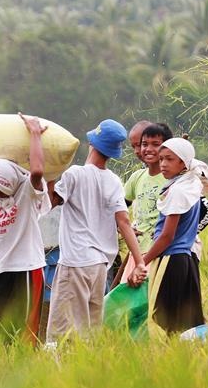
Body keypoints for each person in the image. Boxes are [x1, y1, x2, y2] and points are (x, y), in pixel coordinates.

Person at [45, 119, 147, 343]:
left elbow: (51, 202)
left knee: (61, 332)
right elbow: (124, 222)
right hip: (100, 266)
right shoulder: (113, 181)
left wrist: (50, 171)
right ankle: (88, 373)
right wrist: (139, 262)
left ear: (92, 143)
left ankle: (57, 375)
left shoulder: (75, 174)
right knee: (89, 330)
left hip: (75, 262)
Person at [0, 113, 51, 344]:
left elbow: (36, 172)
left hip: (25, 269)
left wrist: (35, 134)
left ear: (11, 183)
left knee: (22, 335)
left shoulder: (26, 192)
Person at [142, 138, 208, 334]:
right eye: (161, 159)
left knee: (165, 319)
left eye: (169, 159)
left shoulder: (178, 190)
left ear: (183, 163)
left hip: (171, 259)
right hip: (185, 259)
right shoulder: (189, 185)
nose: (163, 164)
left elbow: (167, 236)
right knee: (185, 320)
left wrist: (142, 261)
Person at [124, 123, 173, 252]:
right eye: (144, 144)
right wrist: (125, 228)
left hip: (163, 252)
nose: (148, 149)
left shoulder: (174, 179)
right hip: (138, 251)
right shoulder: (137, 177)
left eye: (155, 145)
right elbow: (118, 208)